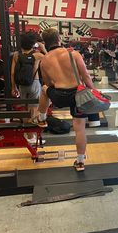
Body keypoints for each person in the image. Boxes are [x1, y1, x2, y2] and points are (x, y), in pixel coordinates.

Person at [30, 28, 96, 172]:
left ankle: (41, 118)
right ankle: (80, 162)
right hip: (77, 95)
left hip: (59, 96)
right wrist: (94, 91)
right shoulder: (74, 54)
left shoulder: (44, 60)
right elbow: (86, 77)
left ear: (45, 43)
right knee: (80, 129)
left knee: (44, 89)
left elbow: (48, 83)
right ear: (59, 39)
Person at [11, 32, 46, 145]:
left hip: (22, 85)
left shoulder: (17, 55)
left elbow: (12, 73)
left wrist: (13, 87)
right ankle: (32, 136)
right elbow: (52, 58)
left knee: (25, 110)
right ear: (33, 44)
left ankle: (28, 134)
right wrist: (43, 48)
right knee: (34, 110)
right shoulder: (37, 55)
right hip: (34, 83)